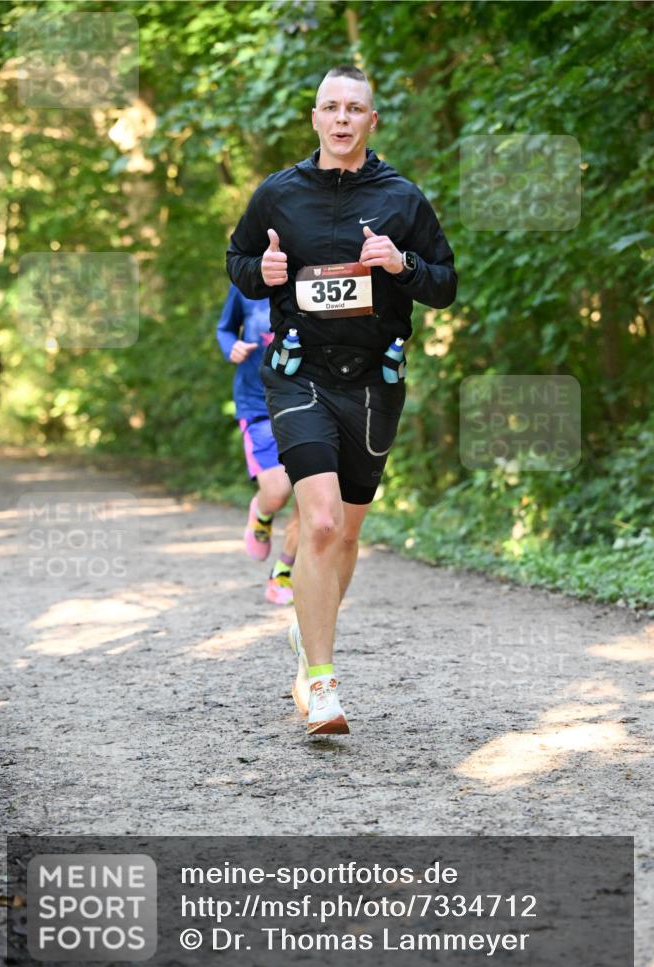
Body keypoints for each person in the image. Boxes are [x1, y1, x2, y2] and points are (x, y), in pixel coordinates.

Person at [226, 65, 457, 735]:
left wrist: (400, 266)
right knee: (320, 520)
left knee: (347, 532)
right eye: (330, 106)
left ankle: (308, 641)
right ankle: (321, 684)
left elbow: (443, 284)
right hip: (296, 373)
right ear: (315, 117)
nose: (341, 118)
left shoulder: (402, 199)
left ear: (371, 121)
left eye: (354, 108)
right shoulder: (278, 194)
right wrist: (259, 272)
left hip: (373, 381)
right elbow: (239, 259)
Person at [216, 284, 299, 605]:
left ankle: (283, 573)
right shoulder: (245, 286)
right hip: (257, 404)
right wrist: (231, 347)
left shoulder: (312, 276)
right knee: (278, 491)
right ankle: (262, 513)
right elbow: (225, 328)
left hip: (310, 402)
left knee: (312, 495)